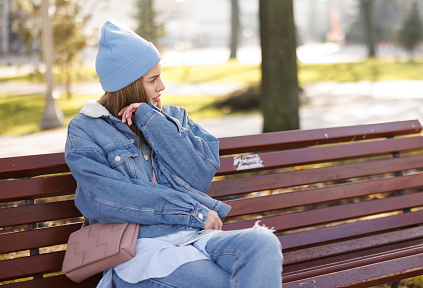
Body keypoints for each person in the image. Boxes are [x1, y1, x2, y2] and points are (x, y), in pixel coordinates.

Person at [65, 20, 283, 288]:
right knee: (222, 284)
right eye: (153, 80)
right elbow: (107, 199)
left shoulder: (174, 118)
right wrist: (192, 212)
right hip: (143, 251)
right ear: (128, 85)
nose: (162, 86)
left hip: (195, 237)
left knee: (263, 243)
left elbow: (200, 174)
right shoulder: (86, 129)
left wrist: (150, 119)